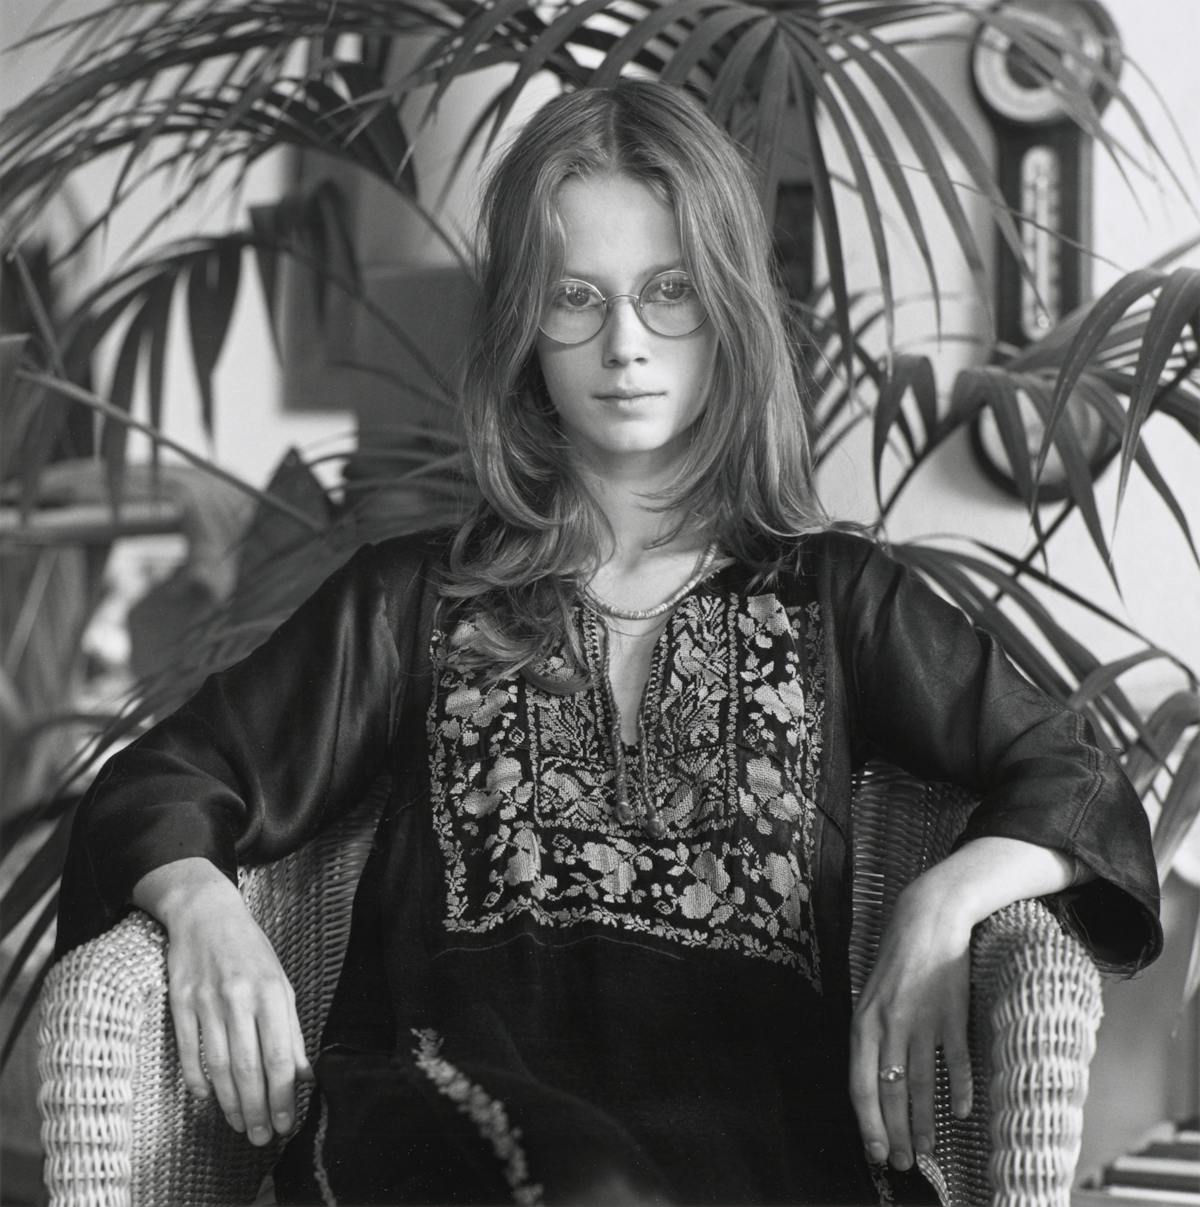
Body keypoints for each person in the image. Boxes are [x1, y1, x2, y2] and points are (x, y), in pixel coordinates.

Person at [56, 80, 1161, 1206]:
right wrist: (202, 903)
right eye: (574, 296)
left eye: (668, 290)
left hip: (757, 1154)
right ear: (524, 325)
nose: (624, 342)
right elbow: (161, 782)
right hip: (448, 1143)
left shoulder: (839, 598)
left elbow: (1076, 776)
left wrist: (944, 899)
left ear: (728, 303)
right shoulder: (412, 600)